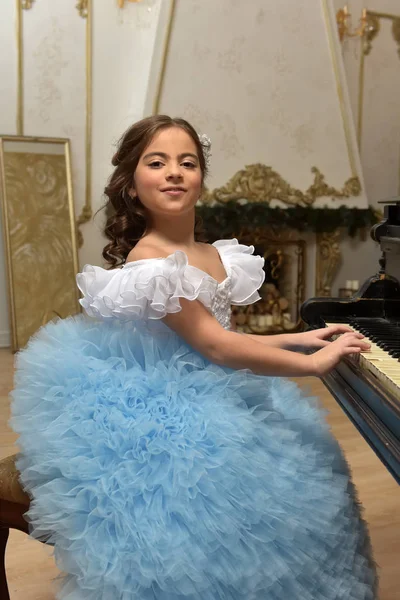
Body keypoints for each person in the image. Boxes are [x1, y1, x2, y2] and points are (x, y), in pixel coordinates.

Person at [11, 115, 377, 600]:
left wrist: (302, 338)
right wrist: (312, 365)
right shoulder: (152, 259)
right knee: (241, 484)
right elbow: (214, 346)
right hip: (163, 396)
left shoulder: (212, 252)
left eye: (188, 162)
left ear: (202, 178)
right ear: (132, 184)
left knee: (305, 465)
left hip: (214, 376)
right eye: (156, 162)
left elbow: (227, 335)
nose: (174, 172)